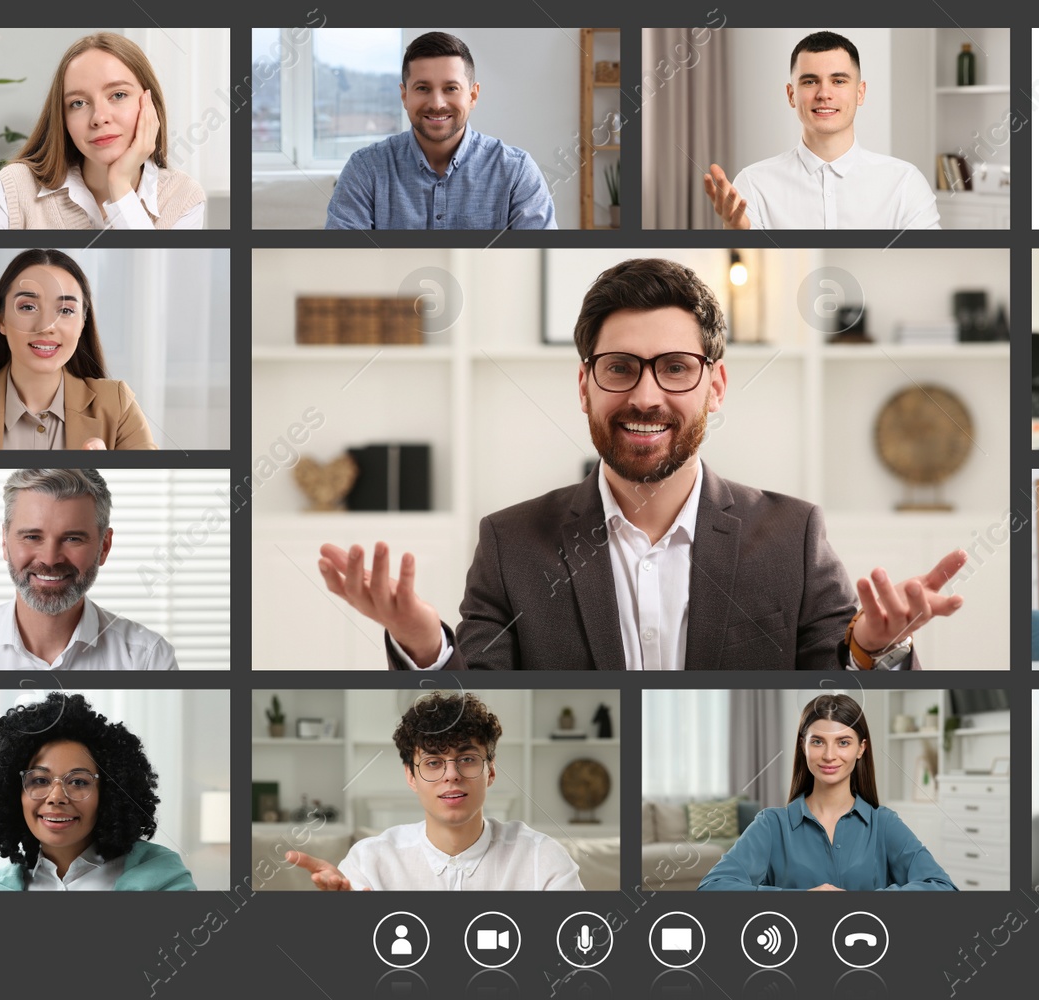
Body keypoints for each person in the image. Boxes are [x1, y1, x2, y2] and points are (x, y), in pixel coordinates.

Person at [317, 257, 966, 669]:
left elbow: (834, 697)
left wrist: (875, 649)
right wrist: (423, 644)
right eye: (621, 369)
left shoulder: (794, 535)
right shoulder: (510, 543)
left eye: (676, 369)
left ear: (715, 385)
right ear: (584, 387)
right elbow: (478, 703)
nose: (646, 396)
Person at [285, 692, 583, 890]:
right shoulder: (368, 862)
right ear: (411, 777)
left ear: (490, 770)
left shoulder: (542, 859)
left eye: (466, 759)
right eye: (433, 762)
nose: (451, 775)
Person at [0, 469, 178, 670]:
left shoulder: (147, 660)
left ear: (104, 546)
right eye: (32, 537)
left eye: (73, 539)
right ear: (4, 541)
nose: (50, 559)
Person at [697, 694, 954, 890]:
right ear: (803, 746)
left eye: (843, 742)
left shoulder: (884, 824)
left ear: (861, 748)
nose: (829, 755)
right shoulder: (771, 825)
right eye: (818, 741)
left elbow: (943, 887)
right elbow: (712, 887)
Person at [0, 249, 157, 450]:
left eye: (66, 310)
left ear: (82, 323)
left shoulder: (118, 404)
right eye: (28, 307)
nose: (47, 326)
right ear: (2, 320)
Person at [0, 33, 204, 229]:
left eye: (118, 95)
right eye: (78, 103)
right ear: (63, 117)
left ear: (149, 103)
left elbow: (148, 263)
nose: (99, 118)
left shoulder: (182, 197)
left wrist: (120, 185)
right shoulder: (15, 186)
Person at [703, 31, 939, 231]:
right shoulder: (753, 185)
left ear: (860, 92)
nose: (824, 94)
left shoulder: (906, 183)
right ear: (791, 95)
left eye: (838, 81)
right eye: (809, 81)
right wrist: (737, 239)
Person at [325, 32, 555, 230]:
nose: (437, 103)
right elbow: (343, 264)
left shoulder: (517, 171)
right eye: (423, 88)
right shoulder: (365, 169)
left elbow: (540, 262)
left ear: (472, 95)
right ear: (405, 96)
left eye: (451, 88)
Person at [0, 692, 196, 890]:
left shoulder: (163, 880)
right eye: (40, 780)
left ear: (107, 794)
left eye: (78, 782)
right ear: (14, 794)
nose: (56, 797)